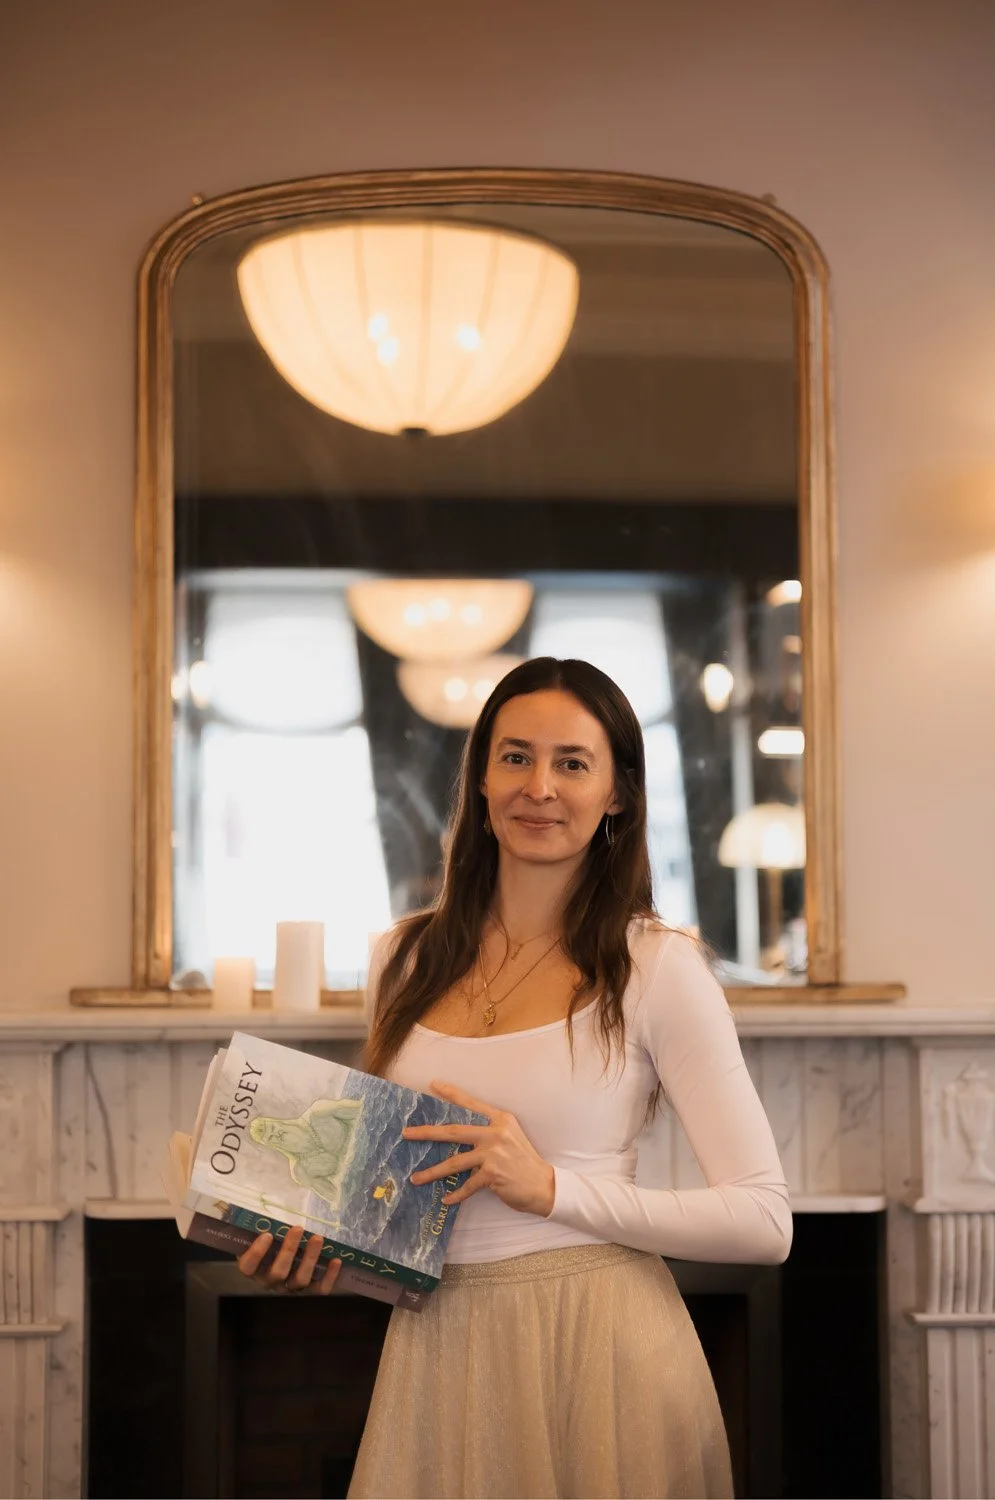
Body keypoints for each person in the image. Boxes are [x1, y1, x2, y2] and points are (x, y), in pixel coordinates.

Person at [239, 655, 792, 1498]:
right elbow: (401, 1202)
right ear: (481, 778)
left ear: (615, 794)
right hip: (439, 1352)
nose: (539, 786)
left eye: (572, 763)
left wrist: (548, 1187)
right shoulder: (402, 957)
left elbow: (763, 1222)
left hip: (601, 1356)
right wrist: (317, 1251)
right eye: (515, 757)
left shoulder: (658, 967)